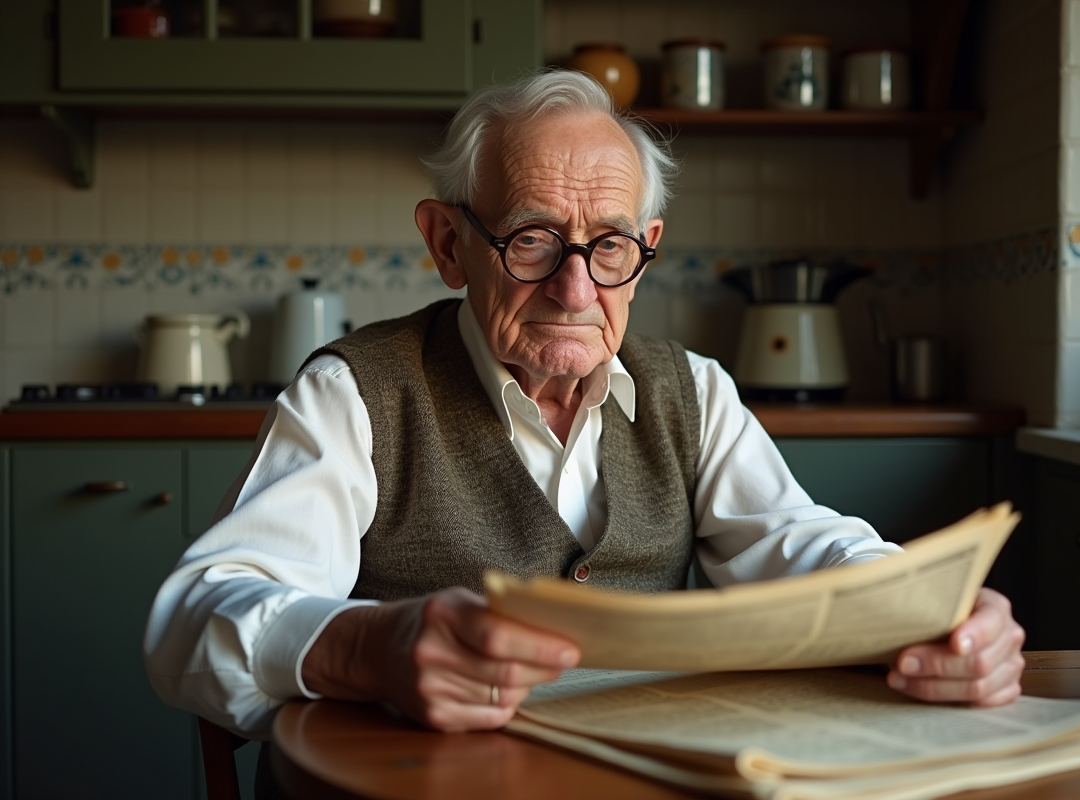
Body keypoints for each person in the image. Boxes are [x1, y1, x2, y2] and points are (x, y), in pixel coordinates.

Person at [144, 68, 1025, 787]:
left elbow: (806, 545)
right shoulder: (356, 393)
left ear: (646, 247)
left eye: (609, 247)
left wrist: (924, 616)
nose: (577, 290)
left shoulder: (694, 394)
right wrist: (366, 647)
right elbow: (192, 620)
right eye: (531, 239)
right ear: (449, 243)